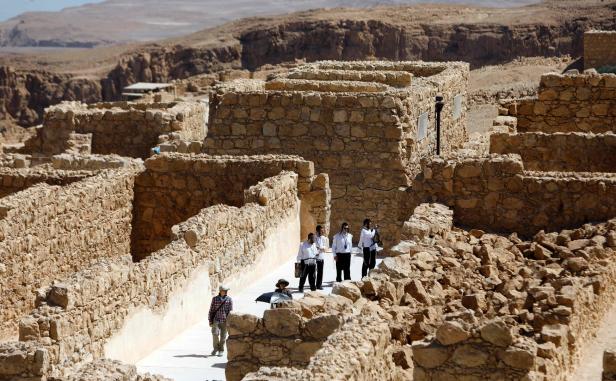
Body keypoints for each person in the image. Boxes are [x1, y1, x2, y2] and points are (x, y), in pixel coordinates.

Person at [208, 285, 233, 357]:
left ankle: (221, 350)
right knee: (215, 334)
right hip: (216, 320)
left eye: (226, 291)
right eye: (224, 290)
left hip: (225, 321)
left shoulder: (229, 299)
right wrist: (210, 320)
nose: (226, 292)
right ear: (220, 291)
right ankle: (215, 348)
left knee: (223, 336)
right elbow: (211, 310)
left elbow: (230, 312)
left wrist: (229, 321)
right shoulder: (215, 299)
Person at [314, 225, 328, 290]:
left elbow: (325, 247)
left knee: (320, 272)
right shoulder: (314, 237)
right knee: (313, 272)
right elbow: (314, 247)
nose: (322, 232)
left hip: (321, 257)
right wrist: (320, 248)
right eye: (321, 231)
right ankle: (313, 284)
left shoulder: (323, 238)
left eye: (322, 231)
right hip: (314, 257)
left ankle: (319, 285)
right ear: (317, 231)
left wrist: (320, 248)